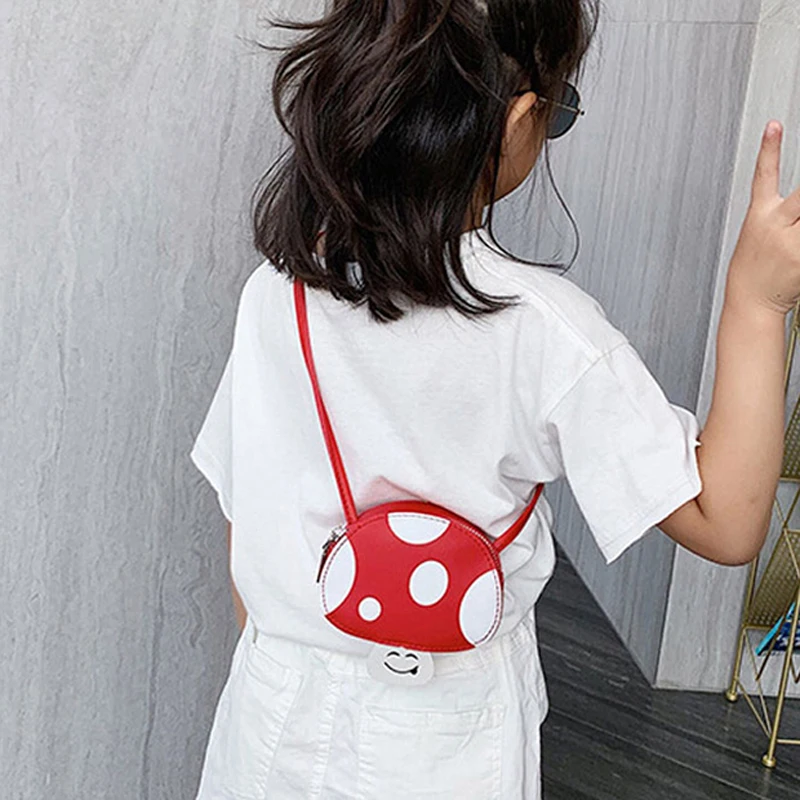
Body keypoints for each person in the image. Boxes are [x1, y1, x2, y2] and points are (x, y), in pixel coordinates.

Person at [188, 1, 800, 797]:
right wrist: (757, 302)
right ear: (516, 122)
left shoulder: (279, 292)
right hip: (448, 735)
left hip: (272, 712)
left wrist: (307, 653)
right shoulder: (543, 328)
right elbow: (727, 520)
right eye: (559, 109)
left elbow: (247, 513)